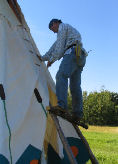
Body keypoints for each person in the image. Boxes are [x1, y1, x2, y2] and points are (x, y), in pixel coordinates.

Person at [37, 19, 87, 121]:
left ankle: (62, 106)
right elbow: (54, 48)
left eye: (53, 29)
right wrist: (43, 58)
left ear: (55, 23)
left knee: (61, 76)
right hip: (80, 55)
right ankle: (77, 113)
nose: (54, 32)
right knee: (75, 86)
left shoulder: (62, 27)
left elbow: (59, 50)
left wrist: (51, 60)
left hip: (72, 52)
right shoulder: (65, 32)